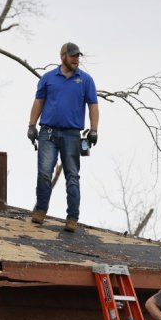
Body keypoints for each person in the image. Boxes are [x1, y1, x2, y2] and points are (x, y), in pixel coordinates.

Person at [27, 42, 99, 232]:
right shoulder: (48, 78)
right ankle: (41, 211)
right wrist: (31, 125)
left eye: (78, 56)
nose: (76, 59)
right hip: (48, 132)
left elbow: (93, 105)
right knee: (44, 172)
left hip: (72, 135)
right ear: (63, 56)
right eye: (73, 56)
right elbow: (38, 102)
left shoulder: (85, 80)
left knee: (72, 176)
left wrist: (94, 130)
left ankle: (72, 218)